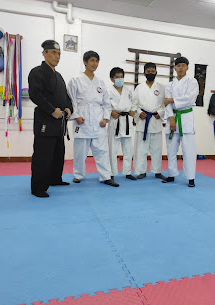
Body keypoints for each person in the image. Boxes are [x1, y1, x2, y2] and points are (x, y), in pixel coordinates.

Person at [28, 40, 73, 198]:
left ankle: (55, 178)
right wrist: (51, 110)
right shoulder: (37, 72)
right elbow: (35, 95)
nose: (57, 56)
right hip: (45, 120)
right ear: (44, 53)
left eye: (59, 53)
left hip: (59, 122)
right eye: (53, 52)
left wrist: (68, 108)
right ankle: (38, 187)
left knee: (57, 153)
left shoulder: (59, 75)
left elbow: (66, 97)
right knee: (43, 155)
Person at [67, 50, 119, 187]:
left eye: (96, 61)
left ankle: (106, 176)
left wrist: (105, 118)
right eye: (92, 60)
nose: (94, 63)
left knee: (102, 151)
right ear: (85, 62)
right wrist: (76, 115)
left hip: (98, 120)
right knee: (80, 151)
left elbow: (107, 103)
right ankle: (78, 175)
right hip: (82, 119)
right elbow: (71, 100)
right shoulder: (75, 80)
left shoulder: (100, 82)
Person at [163, 57, 199, 187]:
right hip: (172, 118)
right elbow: (166, 103)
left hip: (186, 117)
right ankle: (171, 175)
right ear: (175, 68)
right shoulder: (170, 85)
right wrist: (171, 119)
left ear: (187, 67)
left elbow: (190, 99)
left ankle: (191, 178)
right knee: (171, 149)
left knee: (188, 149)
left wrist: (172, 99)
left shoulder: (192, 82)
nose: (181, 68)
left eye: (183, 65)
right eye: (178, 66)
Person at [132, 62, 167, 180]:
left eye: (152, 72)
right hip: (143, 120)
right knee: (141, 148)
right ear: (144, 73)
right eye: (148, 72)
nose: (150, 73)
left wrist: (160, 113)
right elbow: (134, 104)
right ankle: (141, 171)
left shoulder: (162, 87)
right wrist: (138, 112)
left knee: (156, 148)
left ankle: (157, 171)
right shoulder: (139, 88)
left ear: (156, 73)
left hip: (156, 120)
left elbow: (164, 104)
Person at [107, 67, 136, 181]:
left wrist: (133, 110)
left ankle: (127, 172)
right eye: (117, 77)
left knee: (128, 150)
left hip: (127, 121)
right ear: (112, 79)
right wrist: (110, 112)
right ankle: (112, 172)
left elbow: (134, 103)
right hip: (115, 122)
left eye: (121, 77)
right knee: (112, 150)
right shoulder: (108, 92)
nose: (120, 79)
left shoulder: (128, 90)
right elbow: (104, 105)